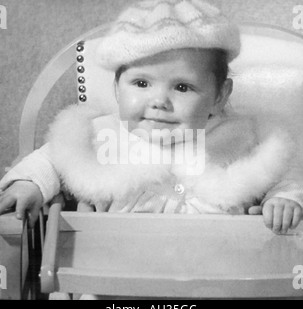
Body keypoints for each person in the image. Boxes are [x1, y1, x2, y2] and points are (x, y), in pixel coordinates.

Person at [0, 0, 302, 235]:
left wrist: (284, 200)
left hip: (218, 275)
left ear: (220, 96)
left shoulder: (242, 136)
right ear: (117, 90)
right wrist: (31, 184)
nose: (159, 101)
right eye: (141, 83)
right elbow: (55, 157)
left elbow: (286, 172)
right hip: (118, 275)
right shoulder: (102, 134)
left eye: (182, 87)